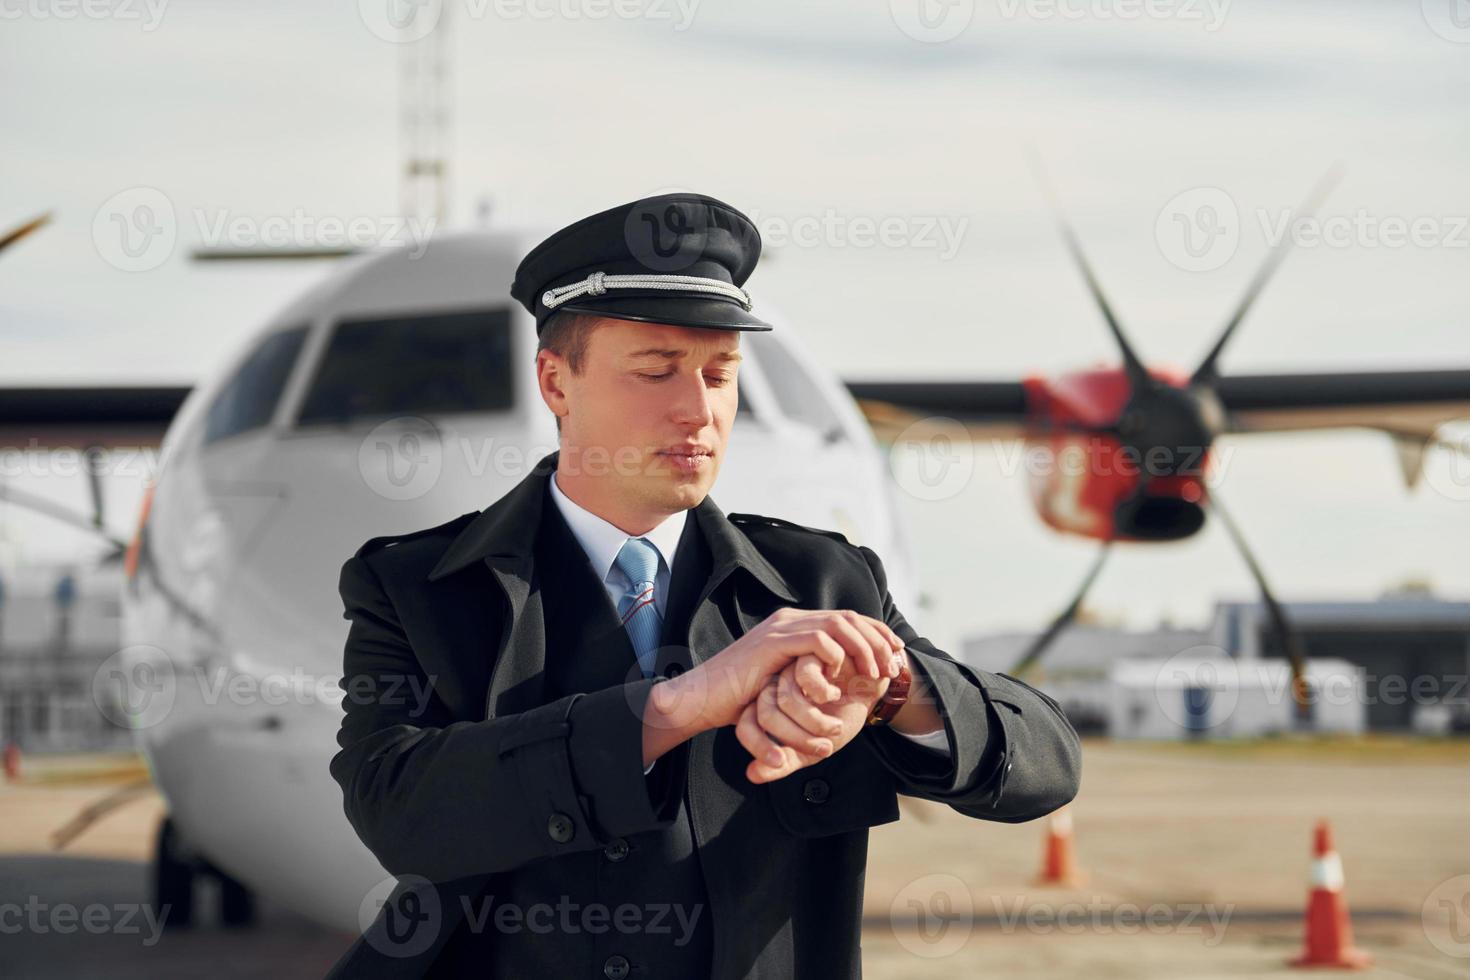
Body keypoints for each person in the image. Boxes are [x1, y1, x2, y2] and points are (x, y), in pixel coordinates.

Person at [326, 193, 1081, 979]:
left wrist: (895, 690)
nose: (699, 411)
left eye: (721, 375)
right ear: (556, 382)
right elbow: (398, 810)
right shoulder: (415, 586)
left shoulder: (824, 582)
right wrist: (675, 707)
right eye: (656, 371)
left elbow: (1046, 764)